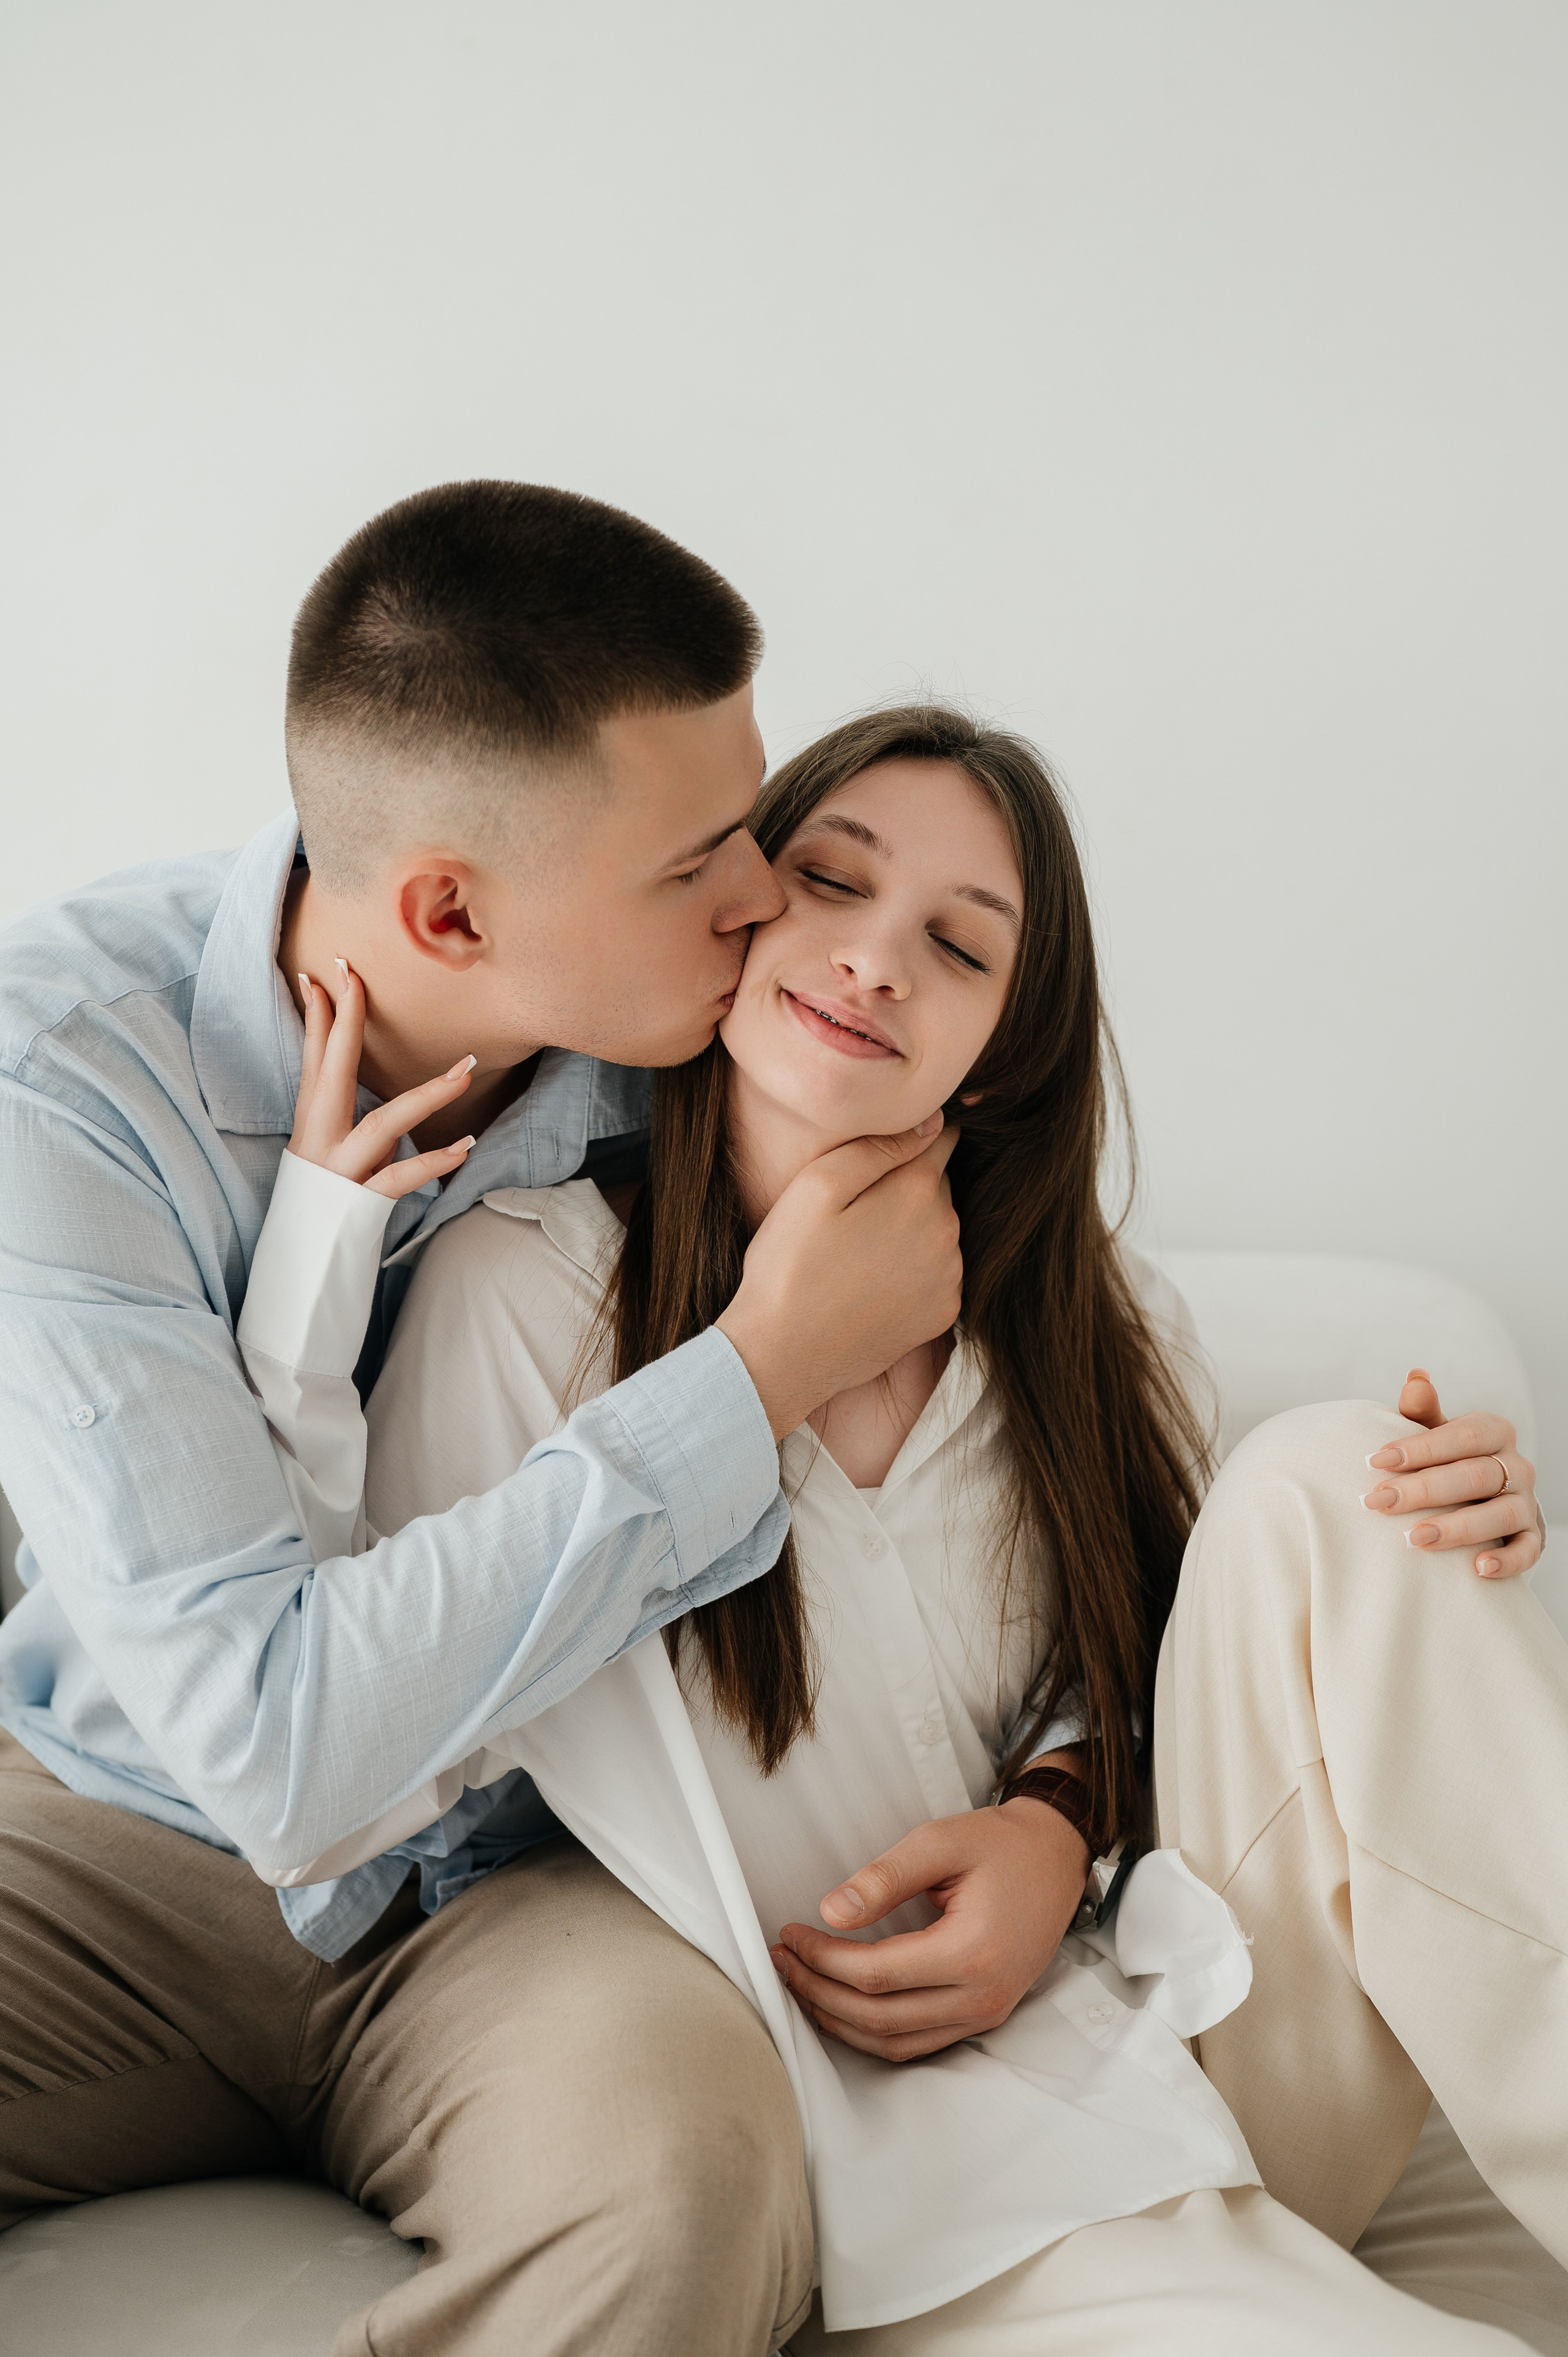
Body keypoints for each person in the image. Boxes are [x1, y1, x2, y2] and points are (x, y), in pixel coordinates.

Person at [237, 704, 1567, 2355]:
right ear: (732, 914)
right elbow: (351, 1742)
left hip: (1199, 2034)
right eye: (829, 884)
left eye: (956, 945)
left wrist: (1058, 1824)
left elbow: (1160, 1677)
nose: (874, 961)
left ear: (1003, 1046)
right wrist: (321, 1260)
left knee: (1345, 1471)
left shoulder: (1099, 1320)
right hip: (931, 2178)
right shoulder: (531, 1290)